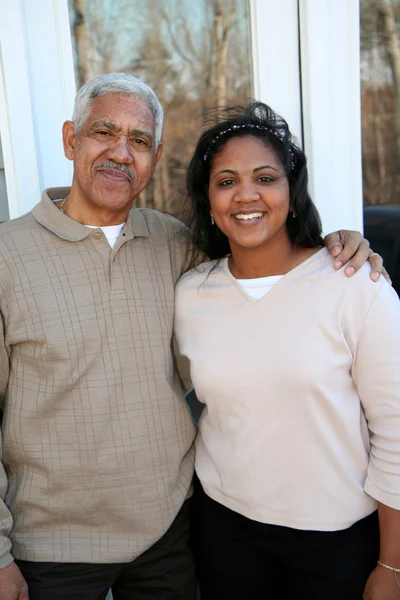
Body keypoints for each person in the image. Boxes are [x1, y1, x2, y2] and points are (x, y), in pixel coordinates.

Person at [0, 74, 386, 600]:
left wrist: (339, 243)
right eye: (103, 132)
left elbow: (265, 264)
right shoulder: (8, 256)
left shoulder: (173, 246)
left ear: (155, 157)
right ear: (71, 139)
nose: (120, 152)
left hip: (170, 534)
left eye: (138, 141)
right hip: (50, 547)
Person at [174, 102, 400, 600]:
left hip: (337, 544)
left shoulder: (355, 285)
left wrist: (392, 564)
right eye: (226, 181)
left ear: (291, 194)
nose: (246, 195)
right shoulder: (190, 293)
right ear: (210, 203)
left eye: (265, 177)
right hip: (223, 530)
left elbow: (396, 430)